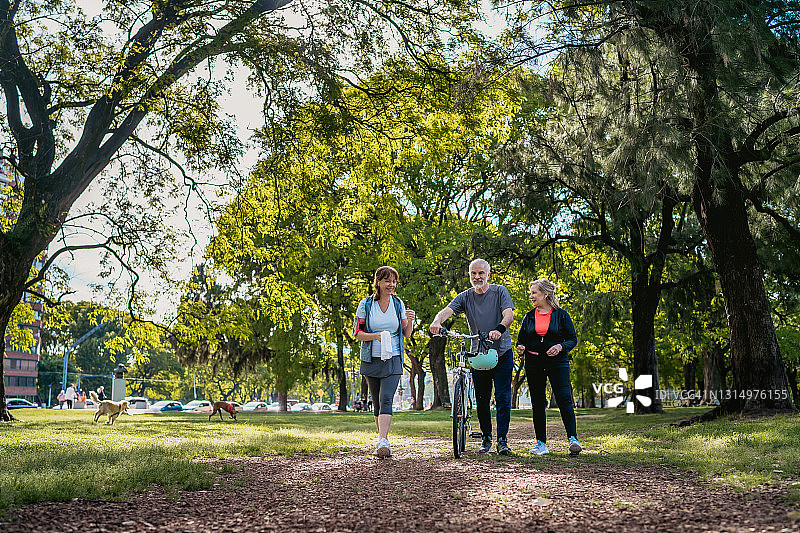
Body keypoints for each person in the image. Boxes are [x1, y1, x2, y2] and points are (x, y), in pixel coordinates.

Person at [429, 259, 515, 455]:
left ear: (488, 275)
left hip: (501, 351)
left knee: (502, 397)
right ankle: (486, 439)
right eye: (474, 274)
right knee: (482, 399)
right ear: (469, 275)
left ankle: (502, 440)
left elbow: (508, 315)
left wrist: (499, 330)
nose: (477, 277)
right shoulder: (465, 297)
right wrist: (436, 321)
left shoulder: (500, 291)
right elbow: (447, 311)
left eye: (481, 273)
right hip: (478, 354)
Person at [353, 266, 416, 458]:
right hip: (372, 359)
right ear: (378, 282)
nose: (392, 285)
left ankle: (383, 441)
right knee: (377, 402)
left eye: (394, 281)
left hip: (394, 358)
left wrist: (411, 321)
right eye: (387, 281)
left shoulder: (398, 304)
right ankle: (382, 439)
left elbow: (405, 334)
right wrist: (376, 337)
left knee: (386, 398)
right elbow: (357, 333)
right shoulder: (366, 304)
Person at [516, 278, 581, 455]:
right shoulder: (528, 316)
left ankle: (573, 440)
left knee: (564, 399)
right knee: (537, 402)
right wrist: (520, 347)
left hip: (557, 362)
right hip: (534, 362)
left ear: (545, 294)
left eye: (534, 293)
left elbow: (572, 339)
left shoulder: (561, 315)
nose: (531, 296)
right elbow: (521, 339)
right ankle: (541, 444)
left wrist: (561, 346)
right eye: (531, 293)